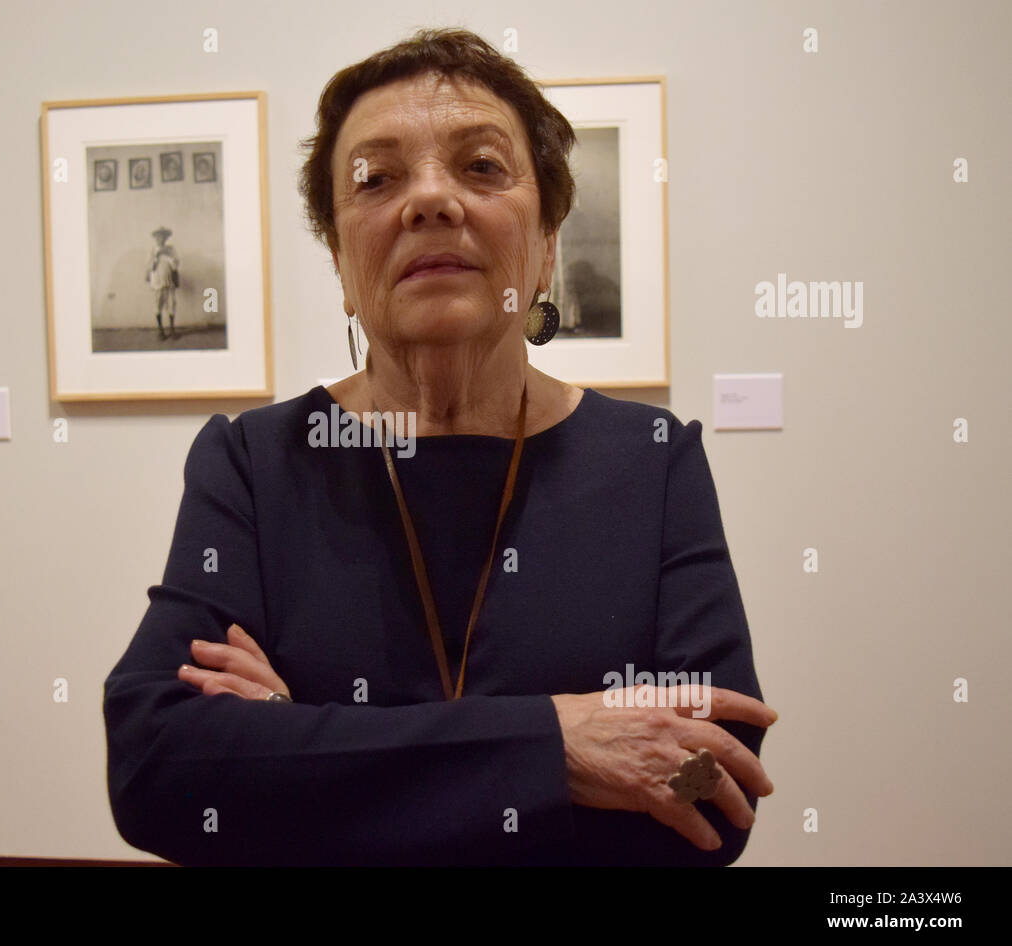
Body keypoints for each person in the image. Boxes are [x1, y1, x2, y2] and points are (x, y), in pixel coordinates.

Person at [104, 27, 776, 866]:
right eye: (376, 179)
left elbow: (716, 786)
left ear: (545, 251)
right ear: (344, 266)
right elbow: (158, 767)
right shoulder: (253, 462)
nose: (429, 200)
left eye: (482, 166)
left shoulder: (653, 459)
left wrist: (295, 749)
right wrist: (558, 747)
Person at [146, 226, 180, 339]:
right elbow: (151, 268)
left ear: (166, 237)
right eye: (158, 236)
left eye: (163, 236)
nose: (161, 238)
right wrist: (157, 255)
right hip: (157, 282)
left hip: (169, 280)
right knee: (158, 305)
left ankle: (172, 329)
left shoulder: (171, 249)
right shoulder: (152, 250)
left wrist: (170, 257)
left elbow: (175, 265)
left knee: (171, 304)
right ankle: (160, 330)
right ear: (155, 238)